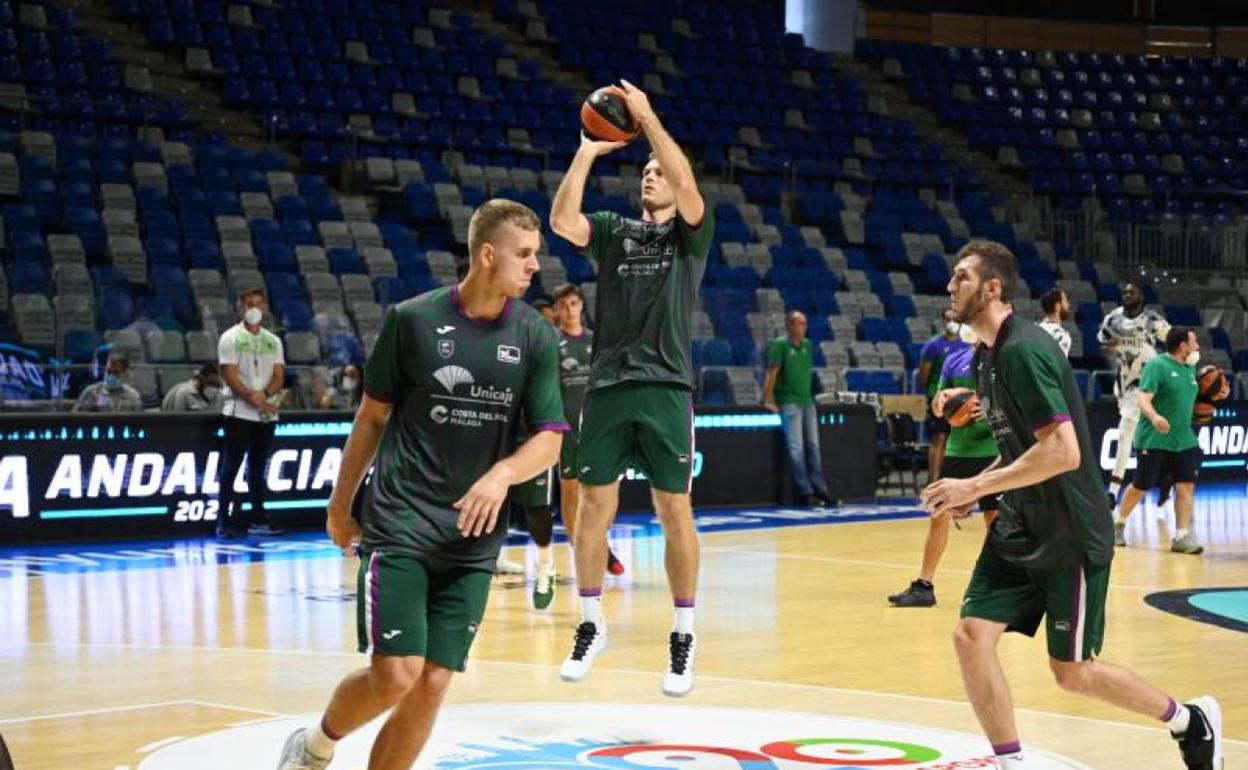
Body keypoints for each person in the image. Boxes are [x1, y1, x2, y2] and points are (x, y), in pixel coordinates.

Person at [276, 199, 567, 770]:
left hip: (474, 538)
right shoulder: (412, 320)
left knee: (433, 682)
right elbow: (372, 418)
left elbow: (551, 439)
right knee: (398, 674)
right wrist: (339, 507)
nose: (535, 266)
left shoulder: (534, 335)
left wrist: (503, 474)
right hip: (402, 523)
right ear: (488, 254)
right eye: (525, 253)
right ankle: (315, 745)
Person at [921, 240, 1221, 770]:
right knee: (971, 636)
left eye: (961, 277)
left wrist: (973, 488)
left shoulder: (1025, 350)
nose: (951, 286)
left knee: (1072, 671)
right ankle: (1011, 762)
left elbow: (1062, 452)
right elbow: (1022, 449)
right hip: (1019, 526)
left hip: (1068, 533)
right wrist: (975, 487)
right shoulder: (987, 359)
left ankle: (1189, 722)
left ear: (992, 288)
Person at [550, 78, 714, 696]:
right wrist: (590, 149)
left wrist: (647, 119)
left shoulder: (689, 235)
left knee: (674, 509)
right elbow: (563, 219)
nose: (650, 175)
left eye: (657, 171)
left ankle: (683, 635)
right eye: (644, 170)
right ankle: (590, 624)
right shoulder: (617, 231)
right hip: (609, 387)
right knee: (593, 507)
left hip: (667, 387)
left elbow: (688, 181)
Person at [888, 324, 998, 608]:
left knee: (995, 521)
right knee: (939, 514)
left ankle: (1002, 586)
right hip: (958, 449)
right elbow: (939, 407)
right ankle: (924, 586)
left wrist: (986, 409)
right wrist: (942, 402)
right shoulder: (953, 361)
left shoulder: (1002, 361)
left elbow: (1015, 402)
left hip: (993, 449)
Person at [1113, 328, 1206, 555]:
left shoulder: (1190, 369)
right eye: (1194, 342)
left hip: (1183, 439)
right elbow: (1143, 399)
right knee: (1141, 486)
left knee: (1186, 486)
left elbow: (1189, 401)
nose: (1198, 346)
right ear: (1182, 346)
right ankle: (1118, 523)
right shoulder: (1157, 366)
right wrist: (1154, 417)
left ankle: (1181, 536)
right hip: (1154, 439)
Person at [217, 287, 286, 539]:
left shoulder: (273, 340)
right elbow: (229, 374)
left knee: (257, 467)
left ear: (265, 307)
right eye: (249, 303)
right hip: (238, 412)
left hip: (266, 414)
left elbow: (279, 375)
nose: (254, 307)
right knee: (231, 466)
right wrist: (253, 398)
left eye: (258, 303)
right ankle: (223, 520)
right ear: (241, 307)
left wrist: (265, 395)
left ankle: (259, 519)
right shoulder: (230, 338)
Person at [1097, 282, 1170, 508]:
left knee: (1147, 438)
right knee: (1126, 437)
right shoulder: (1113, 319)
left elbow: (1173, 341)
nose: (1127, 295)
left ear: (1141, 296)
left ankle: (1116, 491)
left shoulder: (1152, 319)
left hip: (1152, 383)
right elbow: (1102, 345)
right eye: (1125, 292)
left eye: (1132, 292)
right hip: (1128, 385)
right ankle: (1114, 492)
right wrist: (1113, 346)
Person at [763, 310, 832, 507]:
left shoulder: (808, 345)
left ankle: (821, 488)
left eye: (804, 323)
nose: (802, 327)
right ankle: (805, 490)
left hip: (807, 401)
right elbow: (771, 373)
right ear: (789, 325)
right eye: (798, 323)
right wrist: (768, 399)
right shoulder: (779, 345)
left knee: (813, 447)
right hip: (789, 401)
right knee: (796, 448)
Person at [917, 308, 969, 483]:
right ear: (942, 320)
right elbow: (923, 375)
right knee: (938, 438)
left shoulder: (965, 344)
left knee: (956, 441)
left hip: (960, 399)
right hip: (939, 398)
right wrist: (932, 396)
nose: (951, 322)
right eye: (948, 318)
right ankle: (933, 480)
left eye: (954, 318)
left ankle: (952, 480)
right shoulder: (934, 345)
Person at [72, 352, 143, 412]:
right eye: (108, 372)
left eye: (116, 373)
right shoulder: (91, 392)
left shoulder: (133, 396)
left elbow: (140, 423)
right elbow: (73, 419)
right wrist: (90, 405)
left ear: (125, 374)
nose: (111, 376)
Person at [1037, 288, 1072, 358]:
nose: (1068, 304)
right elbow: (1057, 366)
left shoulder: (1034, 328)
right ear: (1057, 306)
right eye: (1065, 301)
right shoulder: (1061, 335)